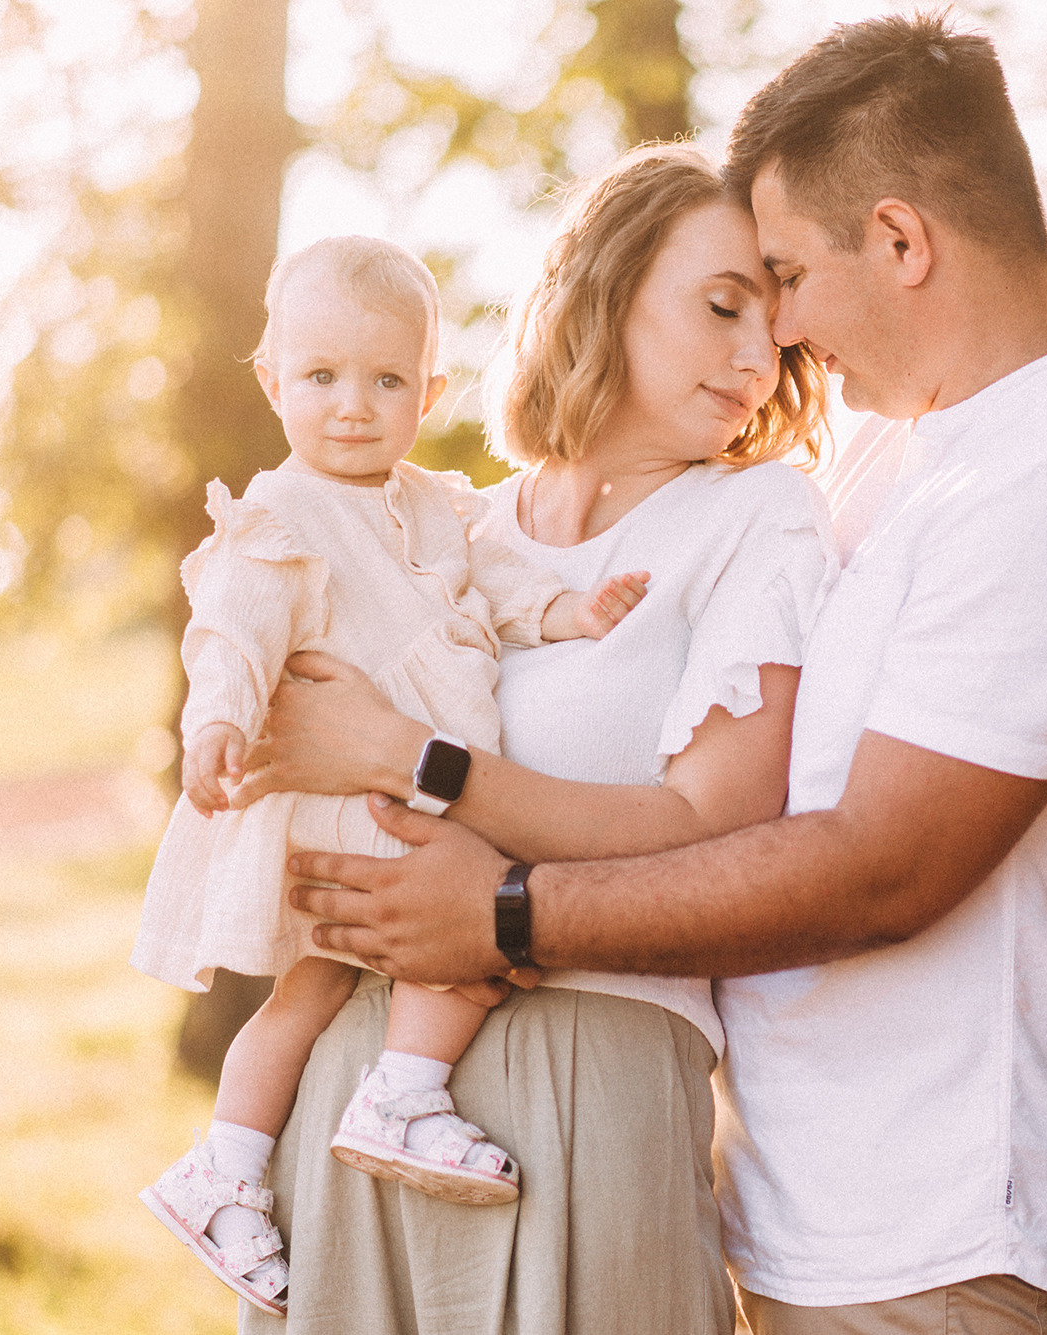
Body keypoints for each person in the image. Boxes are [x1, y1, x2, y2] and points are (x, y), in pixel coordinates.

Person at [277, 13, 1047, 1334]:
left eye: (784, 276)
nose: (779, 331)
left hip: (942, 1224)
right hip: (813, 1207)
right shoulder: (917, 454)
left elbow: (879, 867)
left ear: (900, 242)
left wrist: (501, 913)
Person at [226, 144, 832, 1333]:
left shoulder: (754, 519)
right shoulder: (448, 527)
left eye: (775, 330)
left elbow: (711, 830)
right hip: (345, 1069)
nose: (755, 359)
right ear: (605, 286)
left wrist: (408, 759)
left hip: (588, 1071)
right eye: (721, 307)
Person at [131, 234, 656, 1314]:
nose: (351, 407)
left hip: (407, 780)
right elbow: (232, 632)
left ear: (430, 391)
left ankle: (226, 1164)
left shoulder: (439, 507)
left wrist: (570, 612)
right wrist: (216, 719)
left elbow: (503, 586)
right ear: (273, 382)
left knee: (314, 988)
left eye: (383, 381)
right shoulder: (279, 517)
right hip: (355, 800)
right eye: (321, 377)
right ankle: (403, 1095)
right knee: (470, 937)